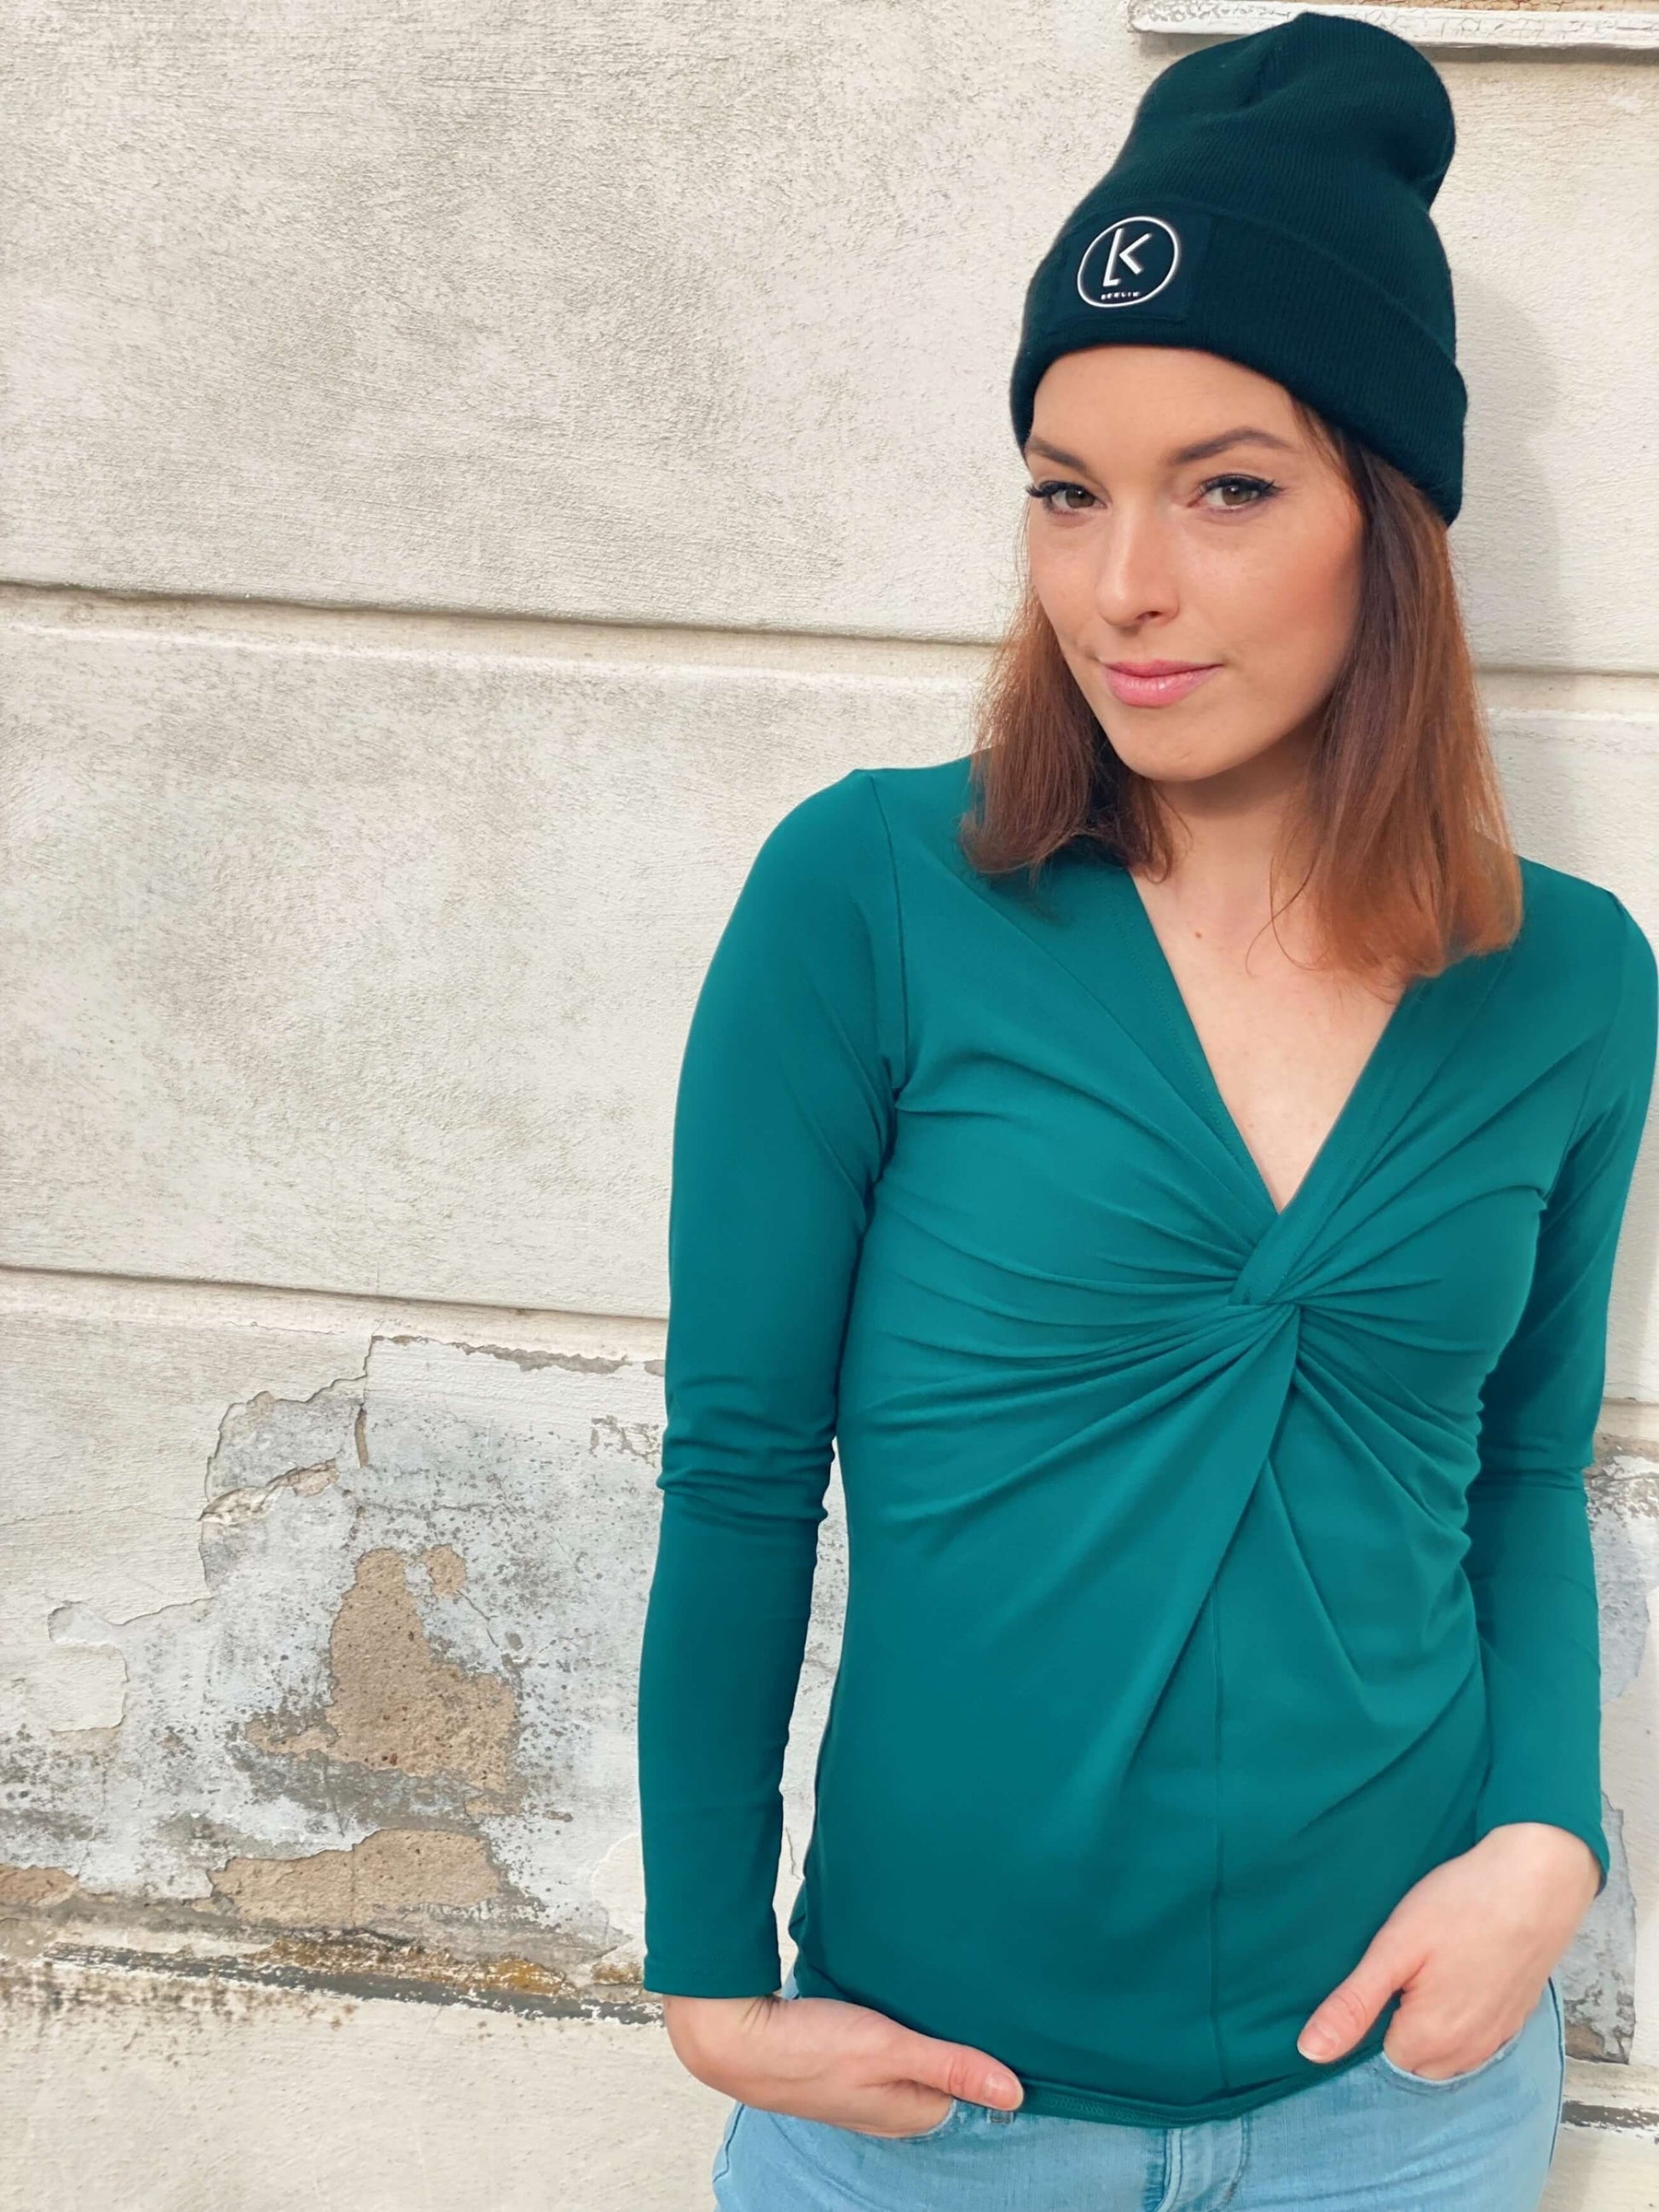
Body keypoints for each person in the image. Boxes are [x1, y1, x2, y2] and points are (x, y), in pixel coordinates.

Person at [633, 11, 1659, 2208]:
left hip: (1406, 2105)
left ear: (1388, 520)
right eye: (1066, 491)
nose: (1125, 588)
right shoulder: (873, 897)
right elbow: (740, 1463)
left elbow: (1518, 1465)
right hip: (938, 2111)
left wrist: (1548, 1840)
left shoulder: (1571, 983)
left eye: (1231, 487)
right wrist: (708, 1975)